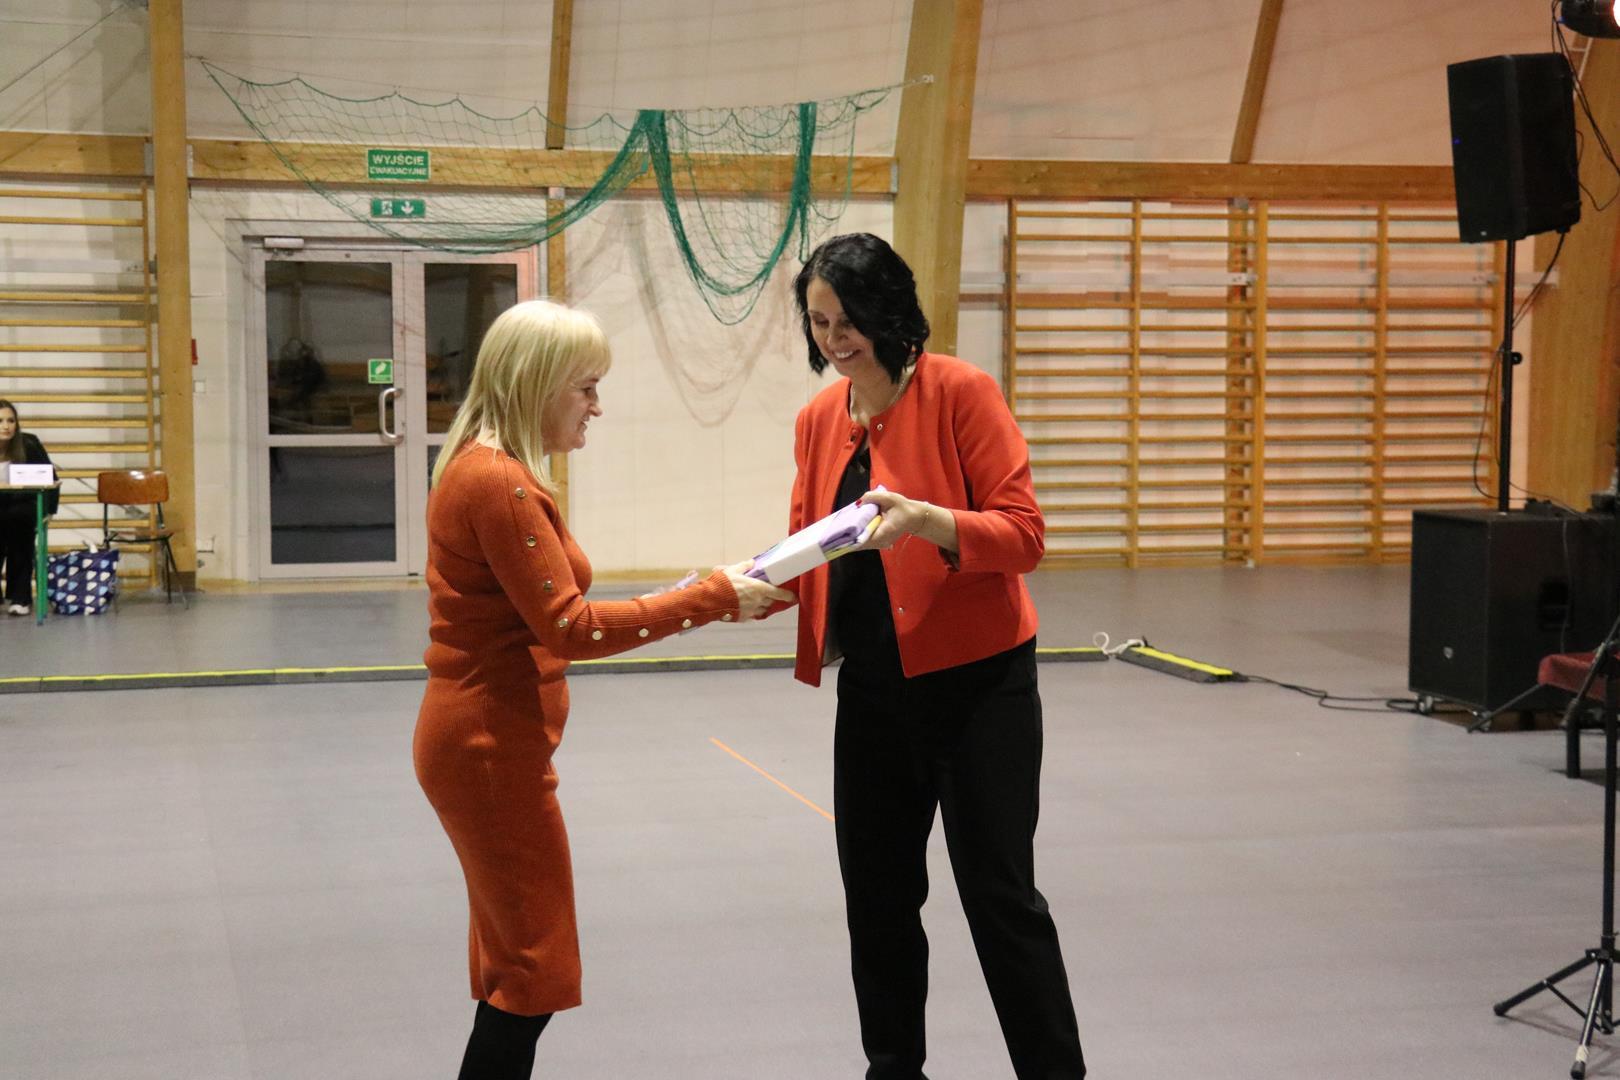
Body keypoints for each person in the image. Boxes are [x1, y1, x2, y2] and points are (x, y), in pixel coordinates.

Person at [412, 299, 790, 1080]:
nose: (597, 406)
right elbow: (571, 629)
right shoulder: (501, 483)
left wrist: (697, 595)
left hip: (491, 741)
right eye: (585, 388)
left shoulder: (491, 470)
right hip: (488, 747)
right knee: (532, 975)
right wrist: (709, 599)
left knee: (516, 967)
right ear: (537, 384)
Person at [777, 233, 1087, 1079]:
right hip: (874, 696)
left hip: (979, 690)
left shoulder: (959, 391)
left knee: (1000, 900)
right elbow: (812, 544)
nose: (835, 338)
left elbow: (1023, 536)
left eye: (848, 319)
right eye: (819, 322)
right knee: (876, 901)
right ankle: (893, 1069)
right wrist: (751, 583)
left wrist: (927, 521)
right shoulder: (818, 419)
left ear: (888, 312)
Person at [0, 399, 59, 617]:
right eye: (0, 421)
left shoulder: (29, 445)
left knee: (18, 527)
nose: (6, 426)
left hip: (21, 506)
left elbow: (51, 479)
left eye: (11, 421)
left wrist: (49, 511)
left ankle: (21, 597)